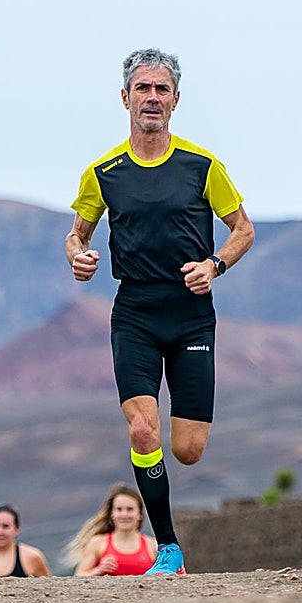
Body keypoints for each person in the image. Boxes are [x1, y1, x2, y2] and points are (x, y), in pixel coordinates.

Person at [64, 48, 254, 576]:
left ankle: (168, 531)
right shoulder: (103, 172)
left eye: (161, 89)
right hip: (135, 313)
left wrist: (214, 265)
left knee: (188, 449)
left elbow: (244, 229)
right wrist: (78, 256)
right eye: (143, 89)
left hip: (191, 314)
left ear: (175, 100)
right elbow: (76, 234)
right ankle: (168, 547)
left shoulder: (203, 165)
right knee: (143, 431)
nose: (152, 98)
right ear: (125, 98)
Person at [66, 484, 158, 576]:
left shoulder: (153, 546)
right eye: (119, 509)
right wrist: (99, 570)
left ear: (140, 514)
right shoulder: (97, 543)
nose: (124, 514)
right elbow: (79, 575)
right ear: (112, 514)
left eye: (130, 509)